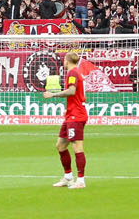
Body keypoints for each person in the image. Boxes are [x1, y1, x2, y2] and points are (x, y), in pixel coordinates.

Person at [45, 50, 87, 189]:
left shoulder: (73, 73)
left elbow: (71, 91)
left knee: (77, 147)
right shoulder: (74, 72)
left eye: (64, 60)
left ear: (67, 61)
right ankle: (68, 177)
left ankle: (81, 181)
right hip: (71, 114)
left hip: (76, 115)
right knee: (61, 145)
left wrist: (53, 95)